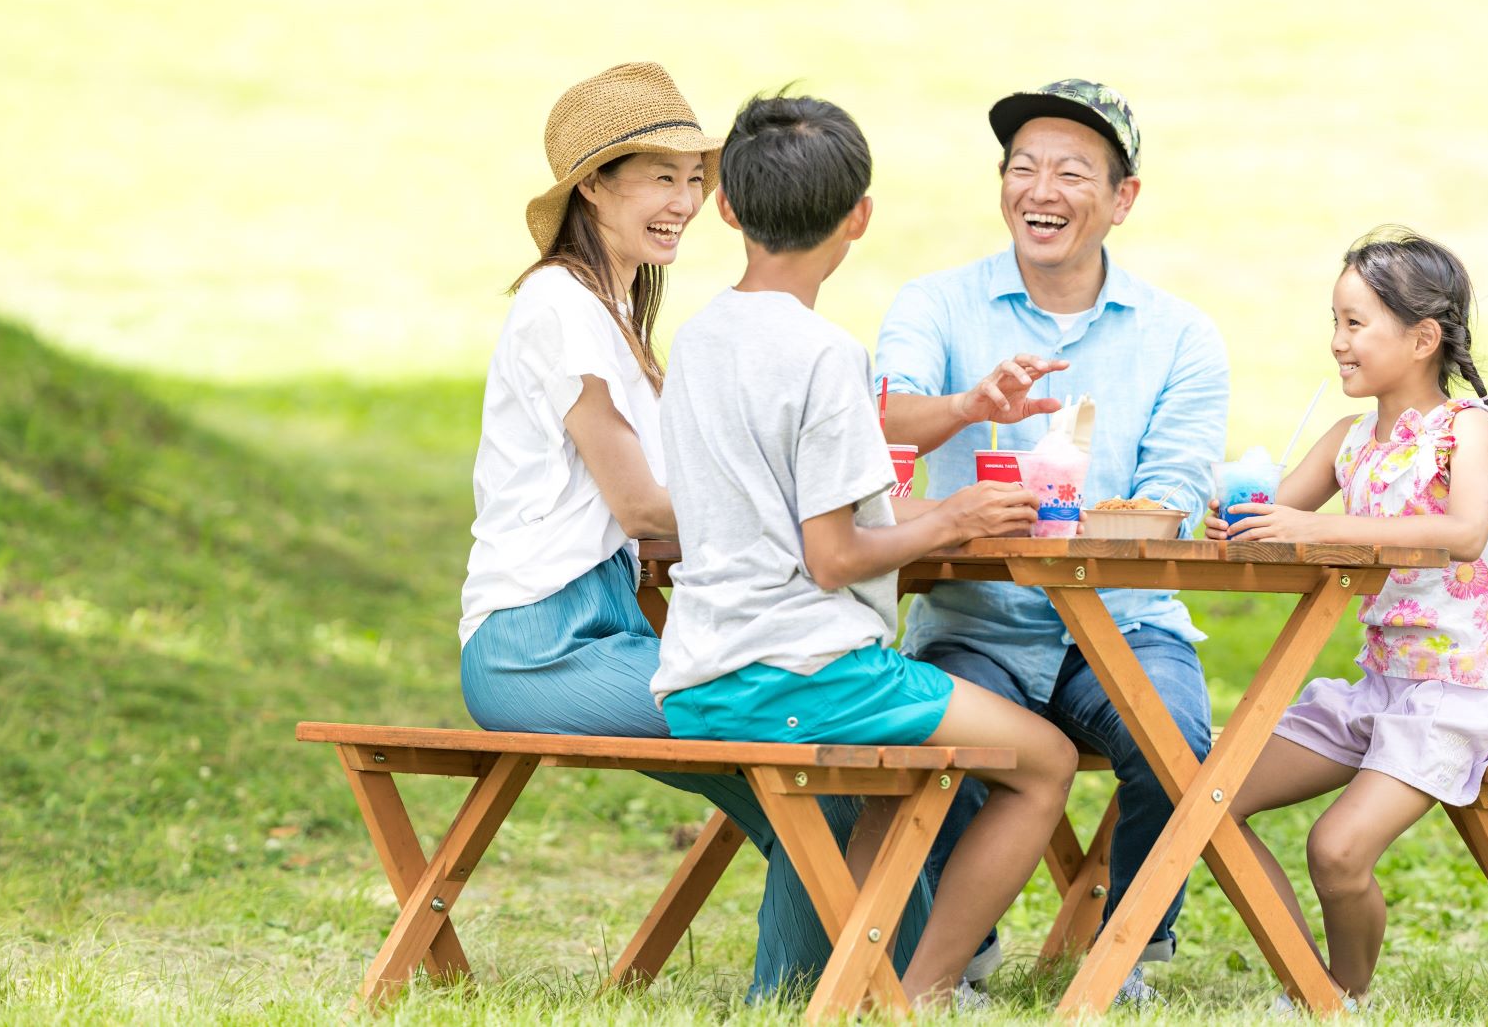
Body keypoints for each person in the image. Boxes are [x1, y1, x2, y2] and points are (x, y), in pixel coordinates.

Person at [456, 62, 928, 998]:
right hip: (538, 644)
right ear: (592, 185)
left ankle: (865, 983)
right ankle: (807, 999)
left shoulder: (620, 311)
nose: (683, 199)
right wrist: (807, 519)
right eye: (659, 176)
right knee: (804, 759)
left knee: (819, 762)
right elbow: (640, 506)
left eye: (694, 178)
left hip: (613, 628)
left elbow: (686, 508)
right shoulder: (559, 305)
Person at [652, 91, 1078, 1009]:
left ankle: (858, 981)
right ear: (860, 217)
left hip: (698, 666)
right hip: (802, 673)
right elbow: (836, 558)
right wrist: (958, 515)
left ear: (726, 207)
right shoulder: (825, 354)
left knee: (902, 783)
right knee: (1042, 761)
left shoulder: (695, 340)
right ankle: (916, 991)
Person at [874, 79, 1229, 997]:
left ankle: (1128, 954)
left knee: (1176, 740)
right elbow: (881, 423)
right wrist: (967, 407)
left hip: (1126, 614)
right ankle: (965, 947)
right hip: (976, 621)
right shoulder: (937, 305)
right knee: (935, 739)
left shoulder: (1181, 334)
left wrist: (1100, 521)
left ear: (1123, 198)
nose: (1043, 189)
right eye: (1023, 167)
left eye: (1073, 171)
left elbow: (1177, 489)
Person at [1206, 225, 1488, 1004]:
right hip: (1380, 687)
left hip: (1465, 693)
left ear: (1421, 338)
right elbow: (1280, 517)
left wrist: (1316, 527)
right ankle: (1309, 988)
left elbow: (1461, 533)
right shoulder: (1349, 439)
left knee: (1337, 849)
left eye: (1355, 323)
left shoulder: (1465, 428)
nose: (1338, 343)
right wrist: (1238, 518)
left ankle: (1342, 994)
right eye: (1335, 322)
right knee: (1206, 799)